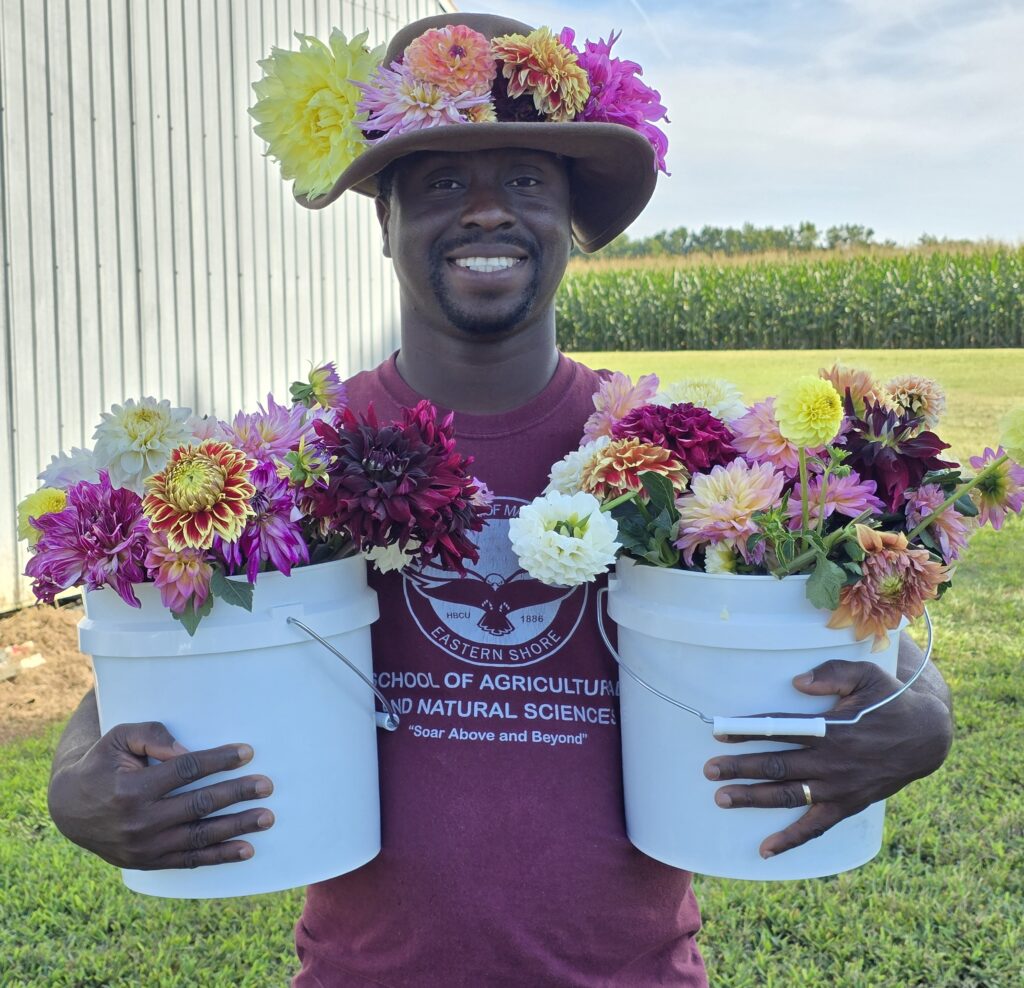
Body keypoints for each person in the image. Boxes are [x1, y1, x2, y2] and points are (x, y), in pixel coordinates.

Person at [47, 13, 954, 986]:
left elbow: (838, 633)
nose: (486, 211)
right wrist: (72, 786)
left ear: (566, 223)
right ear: (383, 222)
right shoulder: (296, 455)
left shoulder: (658, 446)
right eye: (440, 184)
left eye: (525, 180)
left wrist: (925, 712)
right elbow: (149, 662)